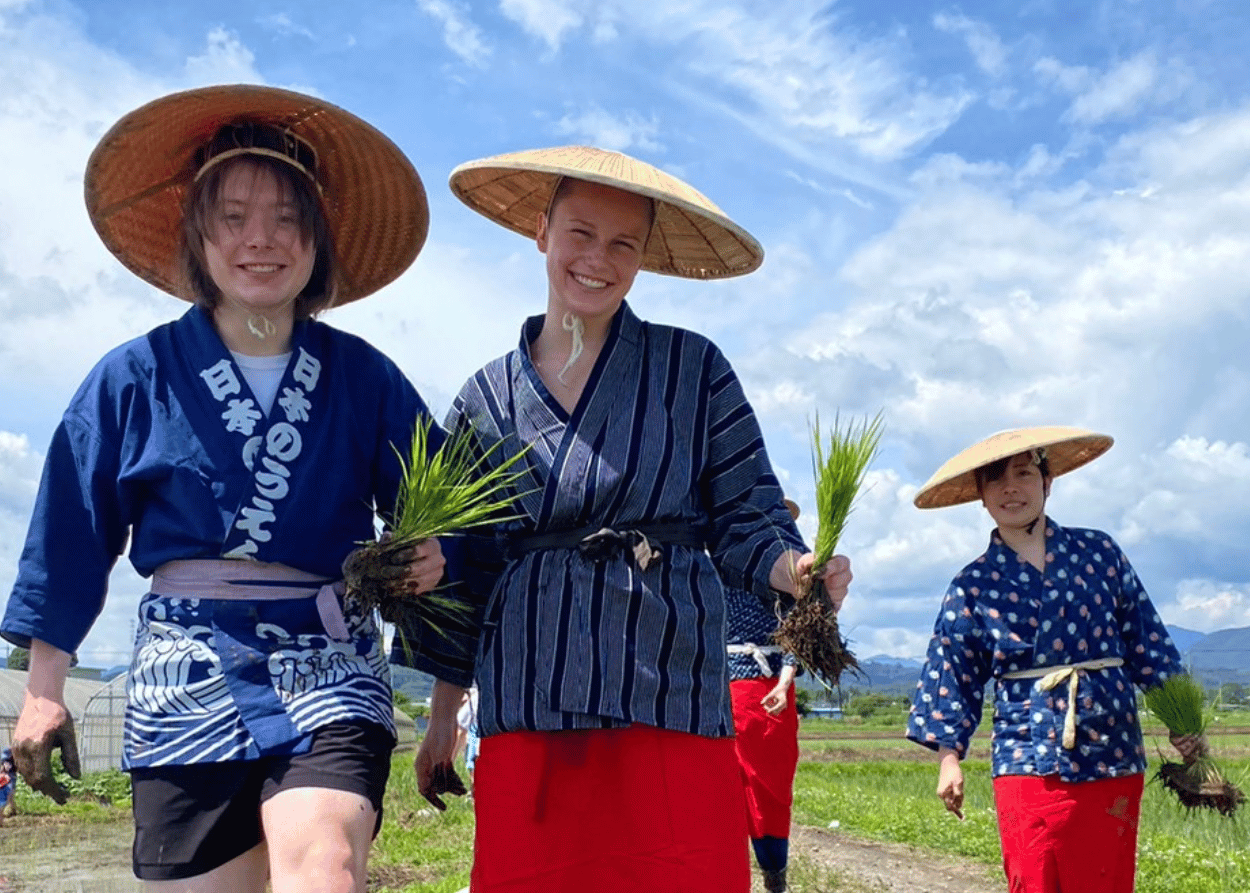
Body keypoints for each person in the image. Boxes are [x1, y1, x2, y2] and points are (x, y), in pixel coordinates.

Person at [2, 85, 443, 891]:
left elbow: (444, 503)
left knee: (325, 865)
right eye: (233, 217)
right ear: (197, 235)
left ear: (317, 239)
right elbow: (68, 535)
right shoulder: (132, 378)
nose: (260, 240)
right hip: (185, 669)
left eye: (285, 218)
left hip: (329, 659)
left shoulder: (366, 378)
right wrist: (41, 693)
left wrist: (434, 552)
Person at [392, 145, 853, 893]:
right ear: (542, 231)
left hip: (665, 684)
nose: (596, 259)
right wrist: (443, 715)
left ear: (643, 257)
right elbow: (462, 563)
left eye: (622, 243)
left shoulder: (693, 369)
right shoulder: (485, 398)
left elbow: (748, 514)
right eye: (580, 232)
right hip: (529, 688)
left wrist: (794, 570)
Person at [907, 426, 1200, 893]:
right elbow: (952, 674)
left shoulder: (1099, 553)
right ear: (980, 496)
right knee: (1034, 876)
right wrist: (949, 759)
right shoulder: (972, 584)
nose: (1011, 489)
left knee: (1105, 877)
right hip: (1025, 752)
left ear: (1048, 482)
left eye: (1024, 474)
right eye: (996, 480)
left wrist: (1181, 719)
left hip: (1111, 751)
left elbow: (1147, 639)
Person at [725, 499, 803, 893]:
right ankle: (728, 874)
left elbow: (798, 633)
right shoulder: (716, 570)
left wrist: (785, 680)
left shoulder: (790, 582)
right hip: (722, 690)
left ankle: (775, 874)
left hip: (767, 689)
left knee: (771, 786)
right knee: (725, 787)